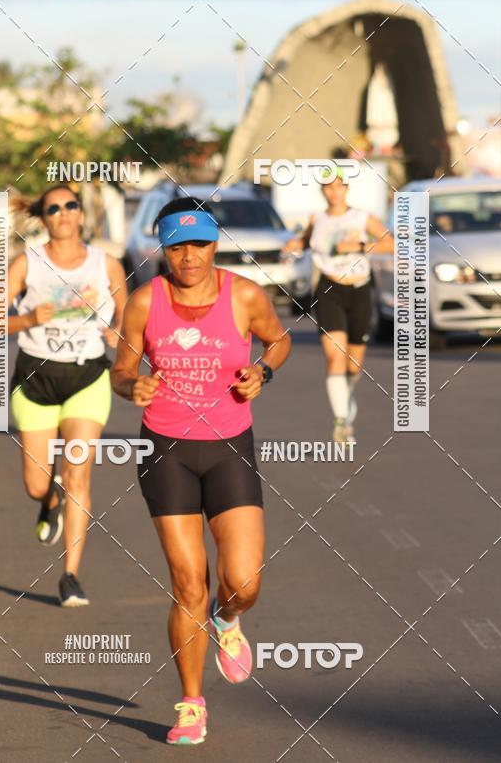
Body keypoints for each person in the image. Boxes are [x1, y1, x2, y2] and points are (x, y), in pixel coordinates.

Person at [111, 196, 291, 745]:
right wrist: (131, 386)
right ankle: (191, 703)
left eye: (200, 245)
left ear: (215, 244)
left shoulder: (245, 296)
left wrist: (261, 370)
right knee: (188, 583)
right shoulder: (145, 302)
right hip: (165, 449)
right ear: (161, 248)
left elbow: (279, 341)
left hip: (228, 446)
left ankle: (228, 618)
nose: (189, 257)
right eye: (176, 246)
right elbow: (121, 368)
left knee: (244, 581)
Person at [7, 186, 127, 608]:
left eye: (69, 205)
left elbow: (130, 315)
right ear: (43, 217)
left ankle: (71, 575)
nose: (62, 213)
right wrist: (25, 318)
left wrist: (120, 335)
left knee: (79, 473)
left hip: (87, 377)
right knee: (35, 484)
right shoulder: (27, 263)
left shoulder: (105, 263)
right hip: (36, 378)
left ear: (80, 214)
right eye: (53, 208)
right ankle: (49, 500)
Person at [287, 169, 394, 443]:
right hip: (328, 289)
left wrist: (358, 245)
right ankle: (341, 422)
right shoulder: (317, 219)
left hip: (359, 290)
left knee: (354, 365)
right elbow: (306, 241)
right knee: (335, 357)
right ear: (322, 191)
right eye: (328, 187)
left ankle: (345, 397)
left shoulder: (361, 217)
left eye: (338, 186)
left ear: (346, 188)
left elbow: (391, 244)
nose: (333, 191)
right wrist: (294, 244)